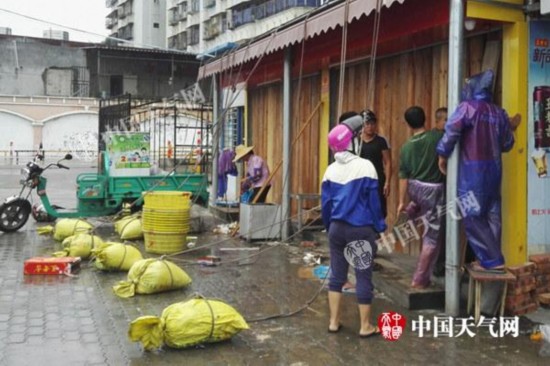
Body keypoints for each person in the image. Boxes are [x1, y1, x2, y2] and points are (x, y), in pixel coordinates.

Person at [436, 70, 521, 273]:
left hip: (472, 172)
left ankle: (492, 260)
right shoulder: (499, 113)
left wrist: (442, 154)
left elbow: (451, 132)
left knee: (472, 215)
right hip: (494, 171)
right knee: (493, 216)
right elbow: (508, 144)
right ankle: (489, 259)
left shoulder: (467, 108)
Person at [321, 114, 386, 337]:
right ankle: (365, 326)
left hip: (337, 229)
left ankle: (333, 322)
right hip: (360, 229)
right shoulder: (366, 166)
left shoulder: (330, 170)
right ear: (353, 142)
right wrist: (380, 226)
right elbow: (374, 203)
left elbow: (326, 205)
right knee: (363, 276)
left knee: (337, 276)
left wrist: (330, 228)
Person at [398, 106, 446, 289]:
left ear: (408, 124)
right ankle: (419, 279)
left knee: (421, 217)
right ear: (426, 119)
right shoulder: (436, 137)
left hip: (414, 188)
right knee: (432, 238)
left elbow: (403, 176)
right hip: (432, 190)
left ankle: (411, 210)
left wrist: (401, 201)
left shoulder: (406, 147)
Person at [358, 109, 392, 218]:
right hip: (360, 179)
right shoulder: (356, 141)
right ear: (362, 125)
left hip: (377, 179)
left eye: (372, 124)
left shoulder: (381, 141)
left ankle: (378, 232)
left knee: (379, 209)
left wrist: (387, 182)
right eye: (367, 124)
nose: (370, 126)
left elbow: (388, 162)